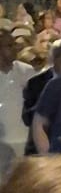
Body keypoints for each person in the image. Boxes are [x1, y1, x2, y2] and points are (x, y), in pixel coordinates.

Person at [0, 28, 31, 180]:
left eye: (14, 45)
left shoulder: (27, 72)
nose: (15, 49)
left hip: (23, 142)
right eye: (9, 46)